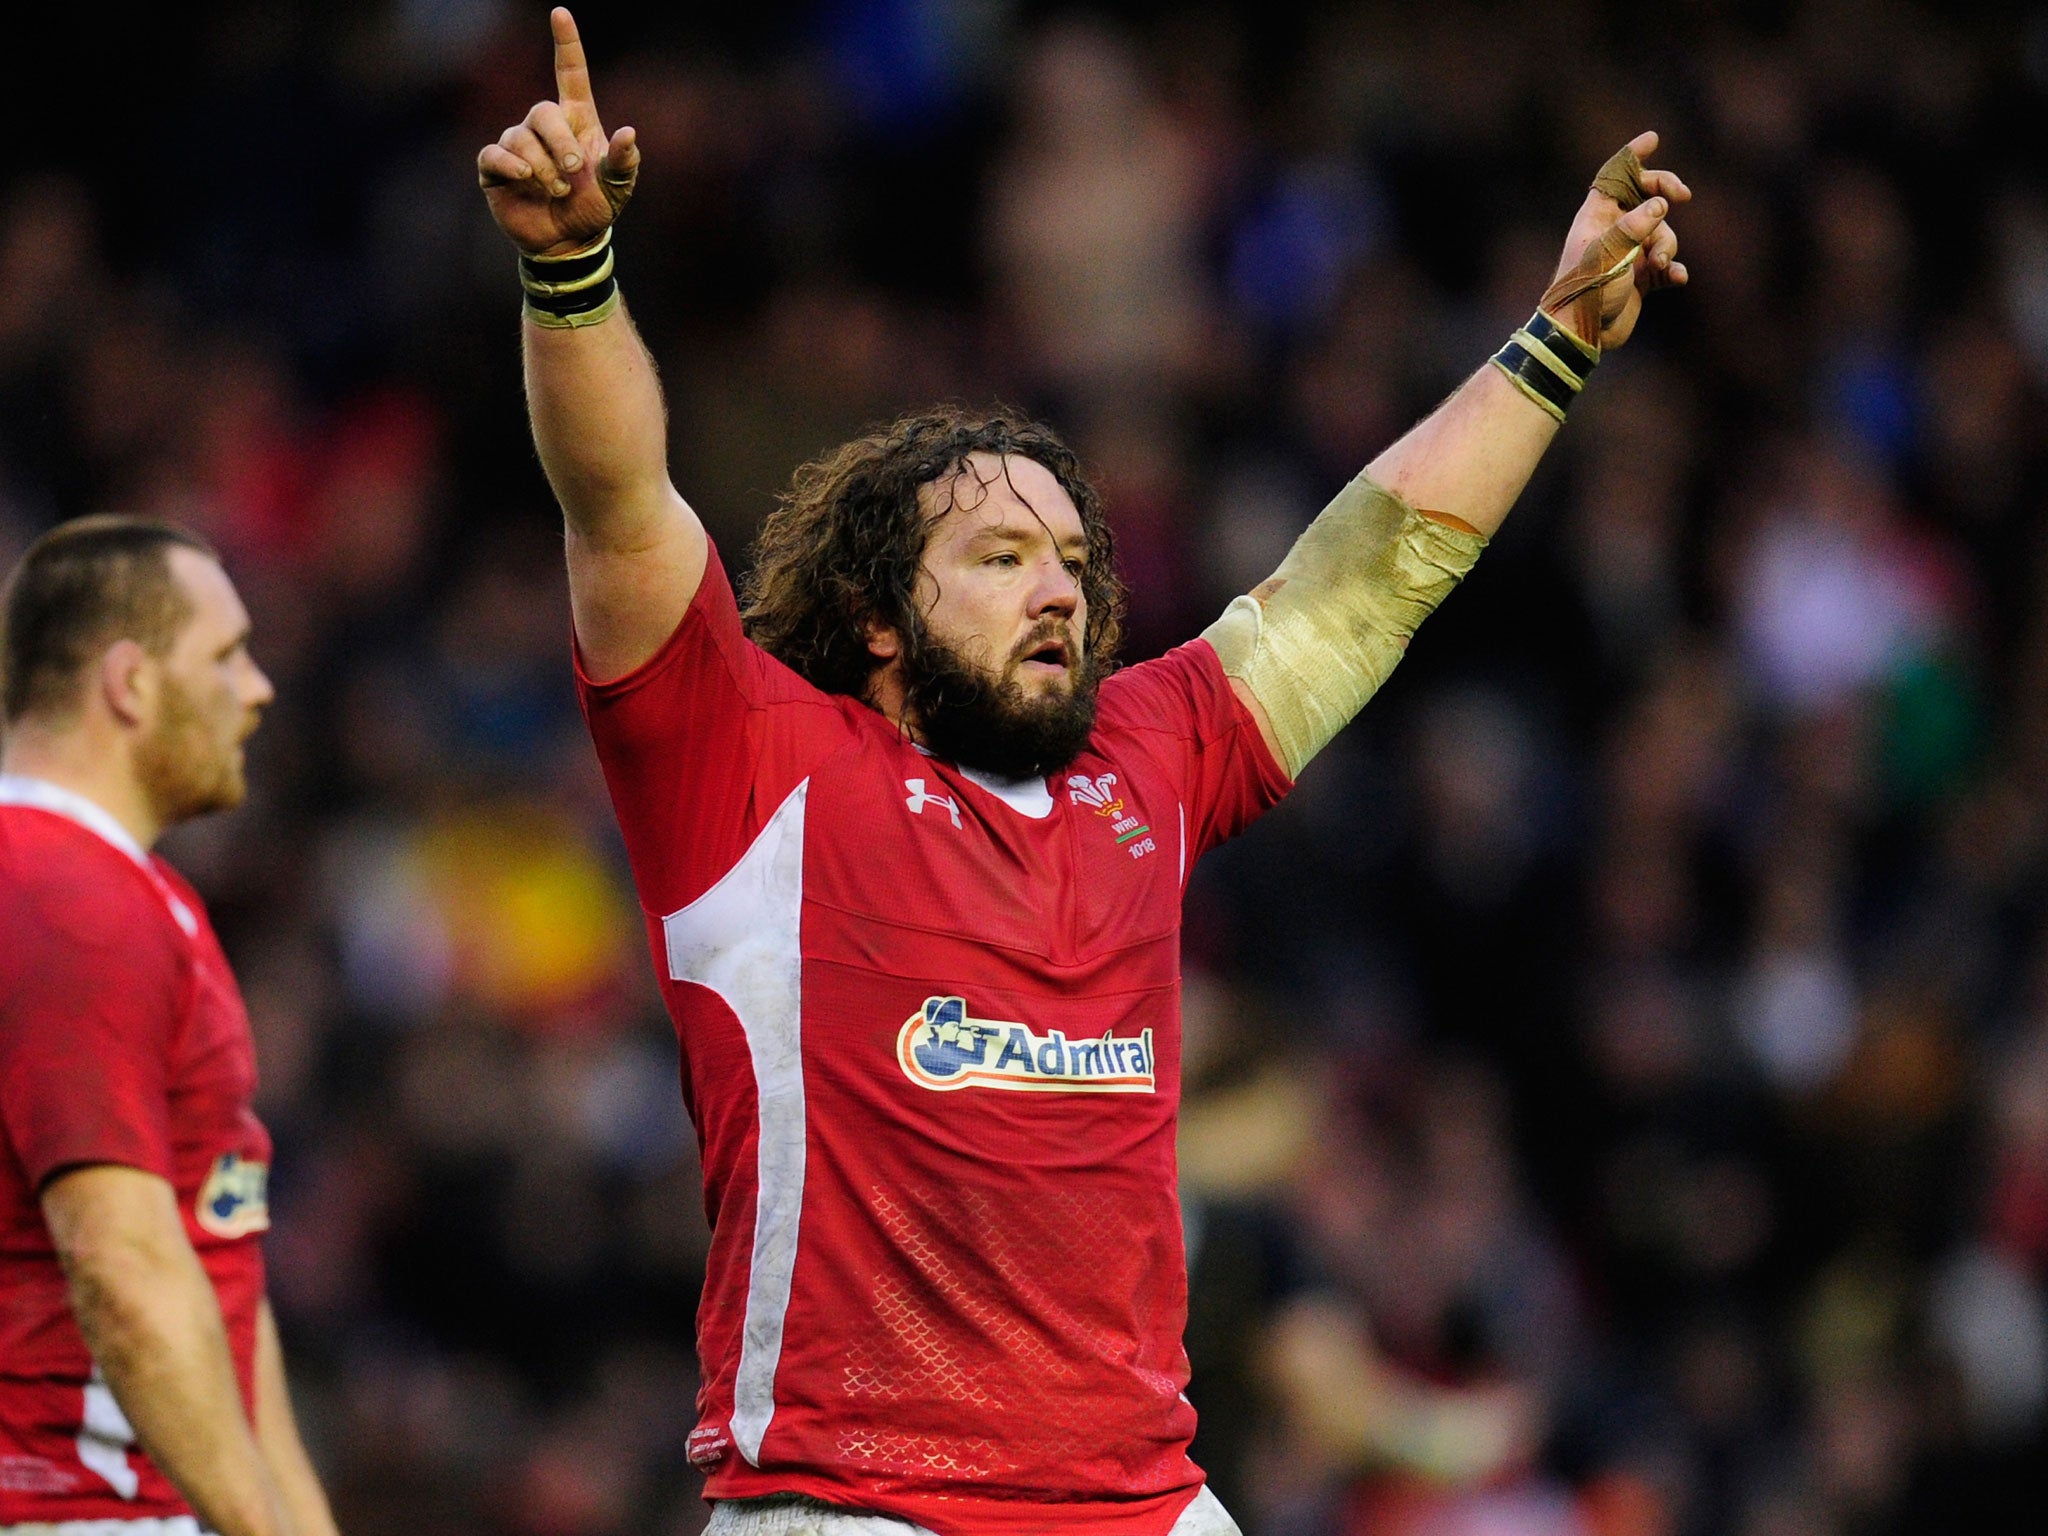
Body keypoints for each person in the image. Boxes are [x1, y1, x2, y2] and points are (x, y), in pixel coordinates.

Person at [478, 10, 1688, 1534]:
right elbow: (616, 504)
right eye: (998, 557)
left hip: (1143, 1506)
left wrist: (1557, 340)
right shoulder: (751, 764)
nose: (1059, 587)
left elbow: (1360, 579)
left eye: (1072, 557)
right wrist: (574, 276)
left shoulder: (1148, 758)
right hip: (857, 1503)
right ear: (874, 620)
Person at [0, 518, 338, 1536]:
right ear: (130, 682)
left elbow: (212, 1269)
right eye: (227, 654)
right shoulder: (68, 900)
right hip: (78, 1502)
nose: (258, 686)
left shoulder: (125, 894)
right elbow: (123, 1262)